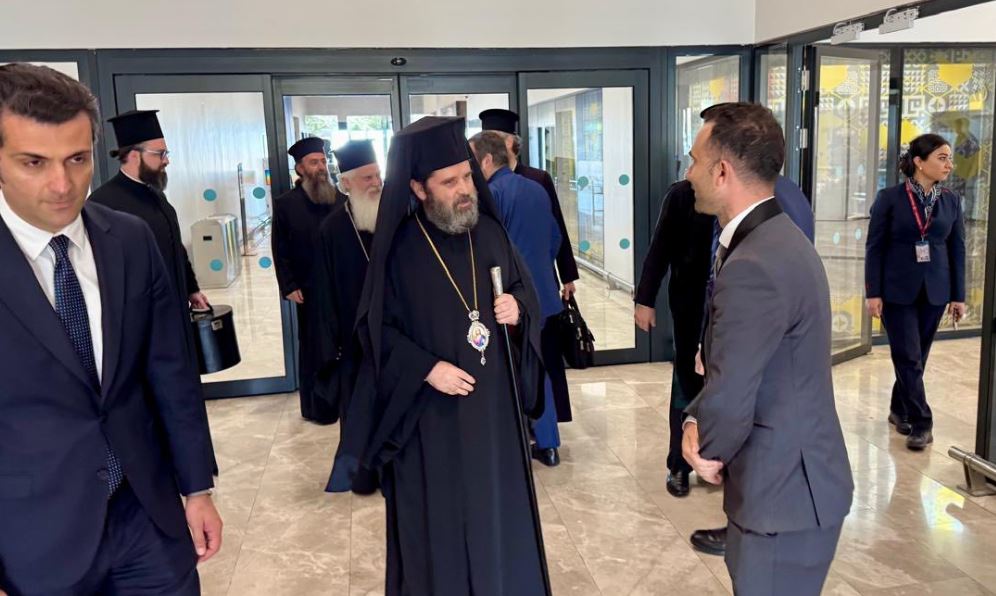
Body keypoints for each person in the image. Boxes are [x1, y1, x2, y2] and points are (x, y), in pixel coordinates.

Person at [0, 63, 221, 595]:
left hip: (146, 515)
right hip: (31, 536)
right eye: (33, 162)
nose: (62, 185)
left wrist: (197, 488)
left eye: (77, 159)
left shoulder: (129, 240)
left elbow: (171, 373)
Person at [328, 116, 551, 596]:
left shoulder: (490, 234)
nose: (464, 189)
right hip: (430, 423)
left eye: (467, 176)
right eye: (449, 182)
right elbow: (375, 333)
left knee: (497, 517)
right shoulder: (399, 250)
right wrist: (427, 368)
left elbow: (524, 294)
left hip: (493, 416)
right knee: (440, 532)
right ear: (418, 187)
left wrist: (518, 309)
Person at [680, 102, 853, 595]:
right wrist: (695, 416)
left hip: (784, 496)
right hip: (788, 487)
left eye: (694, 161)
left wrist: (705, 446)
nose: (688, 174)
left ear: (722, 171)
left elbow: (733, 390)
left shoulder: (755, 262)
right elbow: (754, 366)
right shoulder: (774, 237)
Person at [635, 174, 815, 501]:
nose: (693, 169)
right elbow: (660, 248)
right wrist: (644, 299)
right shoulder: (683, 195)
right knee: (688, 383)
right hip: (691, 311)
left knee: (734, 387)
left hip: (742, 314)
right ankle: (679, 463)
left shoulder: (768, 196)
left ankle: (727, 460)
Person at [87, 108, 217, 475]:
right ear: (132, 154)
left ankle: (194, 462)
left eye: (165, 153)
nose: (166, 161)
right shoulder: (103, 204)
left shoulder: (157, 196)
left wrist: (192, 289)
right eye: (160, 153)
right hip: (138, 326)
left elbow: (176, 248)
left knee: (183, 390)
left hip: (174, 315)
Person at [471, 129, 569, 467]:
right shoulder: (536, 189)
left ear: (486, 160)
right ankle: (549, 443)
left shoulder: (492, 195)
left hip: (512, 300)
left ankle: (515, 441)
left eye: (472, 161)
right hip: (544, 295)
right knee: (539, 365)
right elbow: (555, 238)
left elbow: (491, 252)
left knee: (511, 369)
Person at [865, 133, 966, 450]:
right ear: (920, 162)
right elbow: (874, 247)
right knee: (907, 356)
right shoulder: (889, 198)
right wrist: (873, 292)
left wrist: (958, 296)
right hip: (897, 290)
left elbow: (957, 249)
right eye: (942, 158)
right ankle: (923, 422)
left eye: (949, 158)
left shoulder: (950, 200)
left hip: (936, 290)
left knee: (916, 357)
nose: (949, 164)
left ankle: (899, 408)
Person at [316, 139, 382, 494]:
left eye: (378, 175)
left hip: (393, 332)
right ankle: (361, 476)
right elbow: (324, 294)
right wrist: (332, 345)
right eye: (367, 177)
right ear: (346, 183)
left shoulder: (394, 216)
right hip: (353, 337)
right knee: (358, 408)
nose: (376, 183)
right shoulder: (332, 229)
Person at [271, 136, 339, 424]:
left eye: (323, 161)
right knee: (313, 347)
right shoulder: (286, 204)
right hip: (308, 289)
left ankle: (344, 401)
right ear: (300, 168)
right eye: (314, 162)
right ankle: (317, 407)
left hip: (339, 286)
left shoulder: (339, 199)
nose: (321, 167)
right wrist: (289, 285)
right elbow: (280, 248)